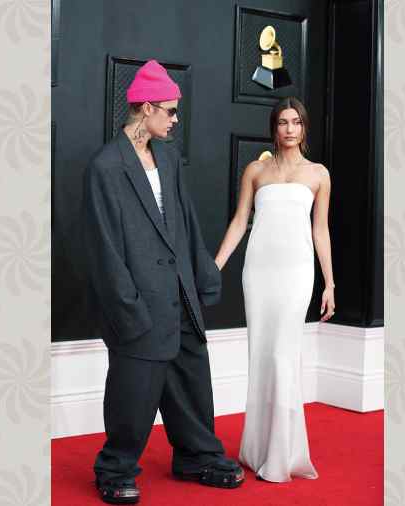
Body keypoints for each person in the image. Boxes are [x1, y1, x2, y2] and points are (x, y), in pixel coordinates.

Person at [82, 60, 245, 505]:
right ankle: (115, 468)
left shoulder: (168, 158)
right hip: (137, 300)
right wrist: (125, 304)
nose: (175, 119)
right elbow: (103, 246)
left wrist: (202, 276)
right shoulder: (106, 166)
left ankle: (196, 456)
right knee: (133, 393)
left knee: (192, 380)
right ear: (147, 107)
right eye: (170, 111)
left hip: (179, 294)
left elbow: (186, 223)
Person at [213, 96, 335, 483]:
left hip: (297, 272)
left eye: (295, 122)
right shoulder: (255, 170)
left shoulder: (318, 174)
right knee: (262, 356)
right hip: (259, 272)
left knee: (284, 355)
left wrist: (329, 283)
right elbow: (238, 222)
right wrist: (214, 267)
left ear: (304, 128)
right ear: (274, 127)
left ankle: (283, 455)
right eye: (282, 122)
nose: (289, 129)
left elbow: (321, 230)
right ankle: (258, 448)